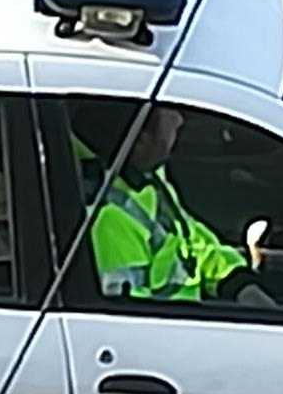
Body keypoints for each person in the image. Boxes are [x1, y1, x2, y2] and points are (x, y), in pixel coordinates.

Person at [85, 107, 259, 305]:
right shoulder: (110, 220)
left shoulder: (148, 182)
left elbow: (189, 241)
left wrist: (236, 281)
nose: (179, 121)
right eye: (170, 115)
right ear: (140, 141)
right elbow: (130, 316)